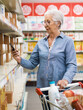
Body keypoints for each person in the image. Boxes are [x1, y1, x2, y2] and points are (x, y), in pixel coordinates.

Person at [12, 9, 77, 89]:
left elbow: (72, 65)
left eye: (48, 22)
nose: (45, 25)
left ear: (58, 23)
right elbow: (32, 63)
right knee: (45, 102)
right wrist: (19, 59)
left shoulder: (67, 41)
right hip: (43, 87)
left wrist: (66, 79)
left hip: (60, 87)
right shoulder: (40, 43)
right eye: (44, 22)